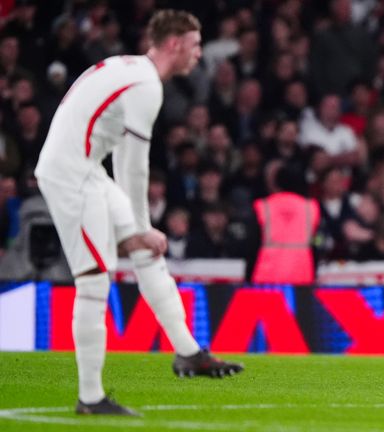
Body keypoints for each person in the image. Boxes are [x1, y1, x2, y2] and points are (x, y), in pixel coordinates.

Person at [34, 10, 243, 417]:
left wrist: (139, 231)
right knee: (94, 279)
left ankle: (188, 353)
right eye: (195, 45)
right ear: (174, 44)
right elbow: (132, 164)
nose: (199, 54)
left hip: (87, 169)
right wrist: (141, 226)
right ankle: (91, 398)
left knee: (148, 252)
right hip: (71, 175)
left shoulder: (129, 68)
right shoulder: (146, 84)